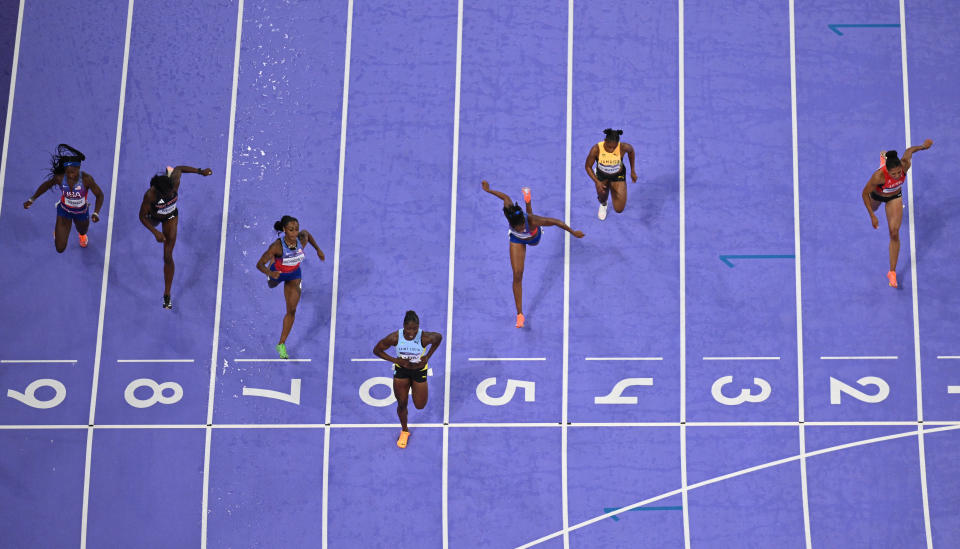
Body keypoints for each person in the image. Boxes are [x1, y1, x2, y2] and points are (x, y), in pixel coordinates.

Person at [482, 180, 584, 328]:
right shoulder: (509, 213)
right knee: (517, 275)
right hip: (517, 240)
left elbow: (556, 222)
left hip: (534, 237)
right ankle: (519, 314)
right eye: (518, 226)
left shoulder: (531, 221)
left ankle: (528, 200)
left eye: (522, 224)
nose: (520, 226)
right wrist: (488, 190)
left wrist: (573, 232)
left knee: (531, 216)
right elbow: (505, 197)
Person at [138, 165, 213, 309]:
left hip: (170, 217)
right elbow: (141, 217)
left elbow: (179, 168)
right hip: (153, 215)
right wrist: (155, 232)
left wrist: (200, 172)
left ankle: (167, 294)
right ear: (158, 191)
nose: (172, 193)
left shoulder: (174, 183)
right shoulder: (150, 195)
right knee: (151, 219)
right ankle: (156, 221)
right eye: (168, 193)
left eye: (172, 191)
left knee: (167, 256)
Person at [860, 139, 933, 288]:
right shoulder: (878, 177)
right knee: (874, 208)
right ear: (887, 171)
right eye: (893, 173)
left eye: (899, 172)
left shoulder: (904, 165)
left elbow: (909, 151)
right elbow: (864, 194)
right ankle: (883, 159)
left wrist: (923, 147)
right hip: (877, 195)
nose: (897, 175)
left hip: (894, 197)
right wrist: (872, 215)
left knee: (894, 233)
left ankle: (892, 272)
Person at [255, 215, 324, 358]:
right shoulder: (277, 246)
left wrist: (318, 249)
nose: (294, 233)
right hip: (277, 273)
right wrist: (270, 272)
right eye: (291, 230)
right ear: (285, 230)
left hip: (293, 275)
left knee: (292, 310)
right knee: (271, 286)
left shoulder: (302, 238)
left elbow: (307, 234)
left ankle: (281, 344)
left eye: (296, 229)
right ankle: (273, 262)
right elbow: (259, 264)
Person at [372, 310, 442, 448]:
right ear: (403, 326)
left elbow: (439, 338)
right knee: (402, 404)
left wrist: (427, 356)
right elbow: (377, 350)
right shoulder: (395, 338)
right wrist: (396, 360)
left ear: (419, 327)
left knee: (420, 405)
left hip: (418, 372)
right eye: (409, 328)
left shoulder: (425, 338)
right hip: (401, 372)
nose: (411, 332)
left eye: (415, 329)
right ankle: (404, 430)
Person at [23, 144, 104, 252]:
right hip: (64, 211)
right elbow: (46, 185)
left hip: (81, 212)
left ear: (78, 168)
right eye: (68, 172)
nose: (70, 175)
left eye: (73, 172)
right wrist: (32, 199)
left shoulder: (86, 179)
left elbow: (99, 195)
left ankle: (82, 235)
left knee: (83, 231)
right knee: (60, 248)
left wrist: (96, 213)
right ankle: (58, 230)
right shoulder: (60, 178)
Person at [584, 128, 637, 220]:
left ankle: (613, 186)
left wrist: (632, 170)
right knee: (602, 195)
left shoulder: (623, 147)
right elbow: (588, 166)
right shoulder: (596, 149)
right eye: (609, 147)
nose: (612, 150)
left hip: (617, 175)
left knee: (619, 209)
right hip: (602, 175)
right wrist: (597, 182)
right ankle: (604, 204)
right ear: (605, 141)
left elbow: (631, 152)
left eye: (614, 147)